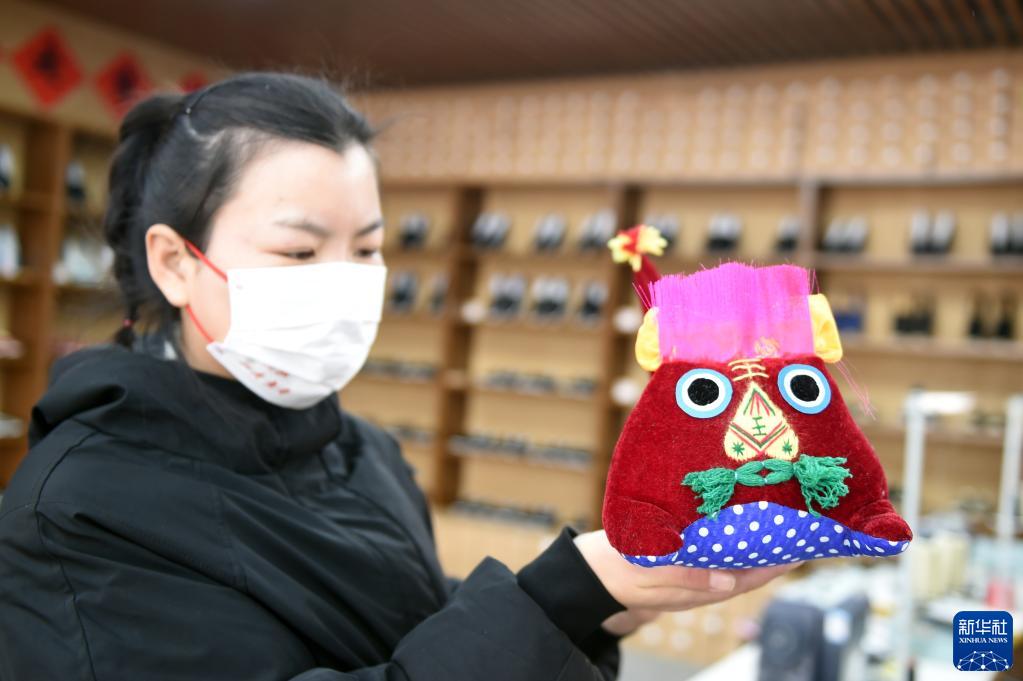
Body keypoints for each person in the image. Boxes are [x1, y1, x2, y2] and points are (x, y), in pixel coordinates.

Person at [0, 72, 794, 680]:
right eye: (300, 251)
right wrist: (558, 594)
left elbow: (412, 624)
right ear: (175, 262)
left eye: (368, 248)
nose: (346, 281)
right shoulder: (80, 510)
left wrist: (602, 605)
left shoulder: (362, 449)